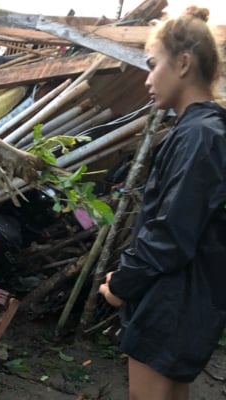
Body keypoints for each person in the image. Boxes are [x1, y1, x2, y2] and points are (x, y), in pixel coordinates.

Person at [99, 6, 226, 400]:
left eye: (153, 65)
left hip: (173, 301)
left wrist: (122, 283)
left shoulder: (200, 136)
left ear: (184, 63)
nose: (147, 79)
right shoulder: (204, 130)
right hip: (191, 298)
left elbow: (171, 232)